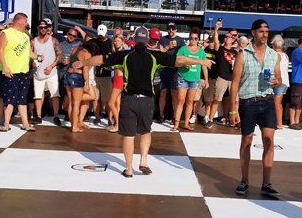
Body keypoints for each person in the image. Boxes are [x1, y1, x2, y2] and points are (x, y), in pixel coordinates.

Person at [75, 26, 212, 177]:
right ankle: (143, 161)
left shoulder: (124, 55)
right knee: (145, 132)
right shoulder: (155, 56)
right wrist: (201, 61)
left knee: (129, 135)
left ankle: (128, 169)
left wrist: (83, 63)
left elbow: (100, 59)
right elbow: (179, 60)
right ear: (147, 40)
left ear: (134, 40)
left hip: (129, 100)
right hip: (147, 101)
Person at [228, 19, 282, 198]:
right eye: (261, 31)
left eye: (267, 31)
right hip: (248, 102)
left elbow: (279, 79)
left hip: (267, 100)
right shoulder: (243, 55)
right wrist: (232, 110)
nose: (264, 34)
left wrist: (276, 81)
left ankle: (267, 183)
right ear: (253, 32)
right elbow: (234, 84)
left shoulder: (274, 55)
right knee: (247, 141)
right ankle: (244, 180)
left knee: (269, 139)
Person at [0, 12, 34, 132]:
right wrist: (5, 66)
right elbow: (0, 50)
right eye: (26, 21)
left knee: (22, 98)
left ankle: (25, 124)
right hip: (11, 71)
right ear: (20, 21)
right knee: (9, 98)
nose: (27, 23)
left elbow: (29, 53)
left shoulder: (25, 36)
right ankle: (6, 124)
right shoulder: (6, 33)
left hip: (24, 71)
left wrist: (39, 57)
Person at [171, 29, 208, 131]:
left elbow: (204, 66)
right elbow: (176, 62)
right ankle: (176, 124)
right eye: (191, 38)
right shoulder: (183, 49)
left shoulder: (201, 51)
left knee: (190, 102)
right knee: (180, 101)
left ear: (198, 40)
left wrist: (206, 80)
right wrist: (183, 63)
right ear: (189, 38)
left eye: (195, 38)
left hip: (194, 79)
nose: (193, 40)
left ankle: (186, 124)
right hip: (183, 77)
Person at [32, 20, 63, 126]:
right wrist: (32, 62)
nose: (43, 29)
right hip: (38, 73)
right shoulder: (33, 41)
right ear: (38, 28)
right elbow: (29, 55)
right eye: (41, 27)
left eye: (45, 27)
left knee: (55, 95)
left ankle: (56, 116)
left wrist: (51, 66)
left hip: (52, 73)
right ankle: (38, 116)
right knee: (38, 96)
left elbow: (59, 55)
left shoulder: (53, 40)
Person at [211, 22, 237, 125]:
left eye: (229, 37)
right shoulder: (220, 49)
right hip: (221, 77)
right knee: (217, 100)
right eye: (226, 36)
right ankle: (210, 119)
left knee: (234, 101)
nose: (227, 38)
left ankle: (232, 120)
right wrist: (216, 30)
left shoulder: (235, 52)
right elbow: (216, 41)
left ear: (233, 40)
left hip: (232, 79)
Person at [158, 23, 183, 123]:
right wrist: (168, 46)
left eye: (173, 28)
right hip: (164, 69)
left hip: (175, 70)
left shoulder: (180, 40)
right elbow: (160, 53)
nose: (171, 30)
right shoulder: (162, 39)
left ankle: (174, 117)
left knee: (174, 94)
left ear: (176, 30)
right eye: (169, 28)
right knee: (162, 93)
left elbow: (183, 54)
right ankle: (161, 115)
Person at [107, 32, 127, 132]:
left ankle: (118, 125)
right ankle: (117, 124)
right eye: (115, 41)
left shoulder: (123, 53)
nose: (116, 43)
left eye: (118, 41)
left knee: (110, 103)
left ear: (123, 42)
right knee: (117, 103)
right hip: (116, 78)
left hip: (119, 79)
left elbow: (124, 67)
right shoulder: (116, 53)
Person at [94, 24, 113, 125]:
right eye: (99, 34)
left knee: (107, 99)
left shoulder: (110, 43)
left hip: (106, 75)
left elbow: (113, 57)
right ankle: (97, 117)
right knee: (95, 98)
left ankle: (109, 118)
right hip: (95, 75)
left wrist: (108, 65)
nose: (100, 36)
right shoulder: (95, 42)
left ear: (106, 33)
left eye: (102, 34)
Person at [270, 35, 290, 130]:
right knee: (279, 103)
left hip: (277, 81)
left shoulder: (274, 55)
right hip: (285, 81)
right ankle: (279, 122)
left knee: (276, 103)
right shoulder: (285, 55)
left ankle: (278, 124)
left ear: (274, 45)